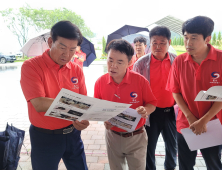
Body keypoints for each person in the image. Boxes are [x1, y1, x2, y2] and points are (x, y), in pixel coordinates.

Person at [20, 21, 89, 170]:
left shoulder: (76, 69)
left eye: (72, 50)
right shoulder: (31, 67)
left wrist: (83, 118)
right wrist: (80, 106)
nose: (67, 54)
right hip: (45, 137)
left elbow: (83, 102)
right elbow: (39, 103)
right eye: (62, 48)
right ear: (51, 42)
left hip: (73, 134)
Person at [166, 16, 222, 170]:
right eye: (185, 37)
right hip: (186, 124)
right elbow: (175, 92)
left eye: (194, 38)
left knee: (214, 165)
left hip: (213, 124)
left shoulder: (220, 59)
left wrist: (204, 121)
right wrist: (191, 118)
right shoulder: (179, 61)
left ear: (207, 39)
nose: (188, 43)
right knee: (185, 165)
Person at [94, 39, 157, 170]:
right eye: (110, 60)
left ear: (129, 63)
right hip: (113, 136)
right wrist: (104, 120)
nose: (113, 65)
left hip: (136, 136)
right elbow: (98, 107)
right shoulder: (100, 82)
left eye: (119, 62)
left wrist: (145, 110)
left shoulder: (140, 81)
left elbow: (152, 103)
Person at [133, 26, 177, 170]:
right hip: (150, 113)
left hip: (171, 113)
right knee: (148, 149)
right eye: (154, 43)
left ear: (169, 42)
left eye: (162, 42)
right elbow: (135, 91)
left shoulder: (176, 62)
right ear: (149, 44)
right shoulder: (141, 64)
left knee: (172, 148)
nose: (158, 46)